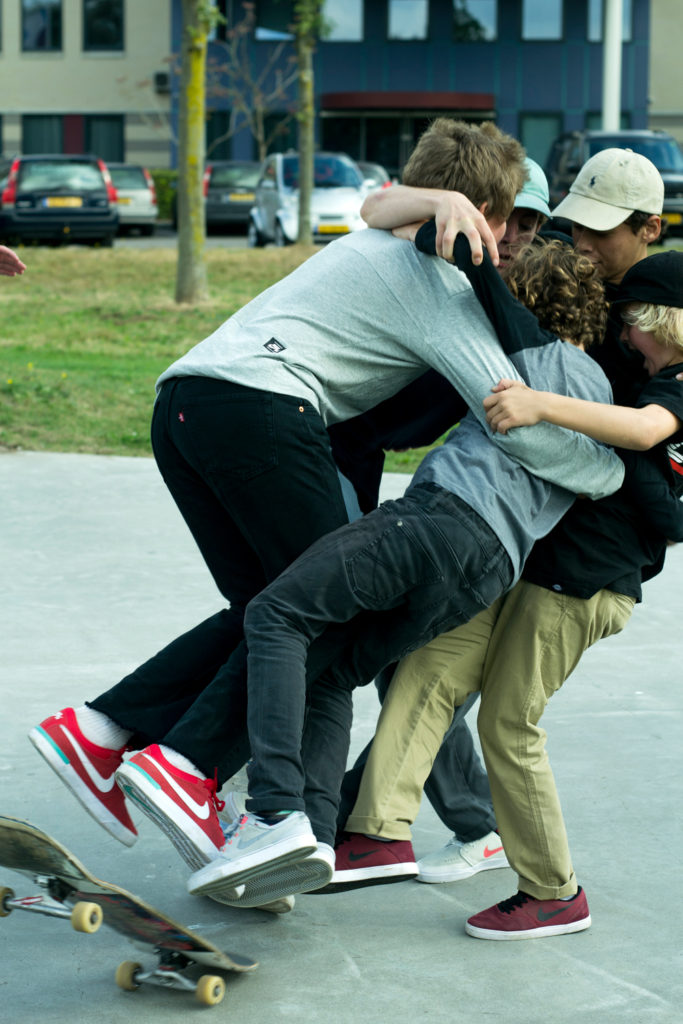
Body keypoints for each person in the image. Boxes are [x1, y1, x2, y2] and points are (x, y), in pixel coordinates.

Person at [28, 118, 571, 901]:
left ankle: (101, 731)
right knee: (324, 614)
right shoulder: (435, 283)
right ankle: (197, 776)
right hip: (263, 415)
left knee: (265, 609)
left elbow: (378, 206)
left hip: (184, 406)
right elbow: (507, 406)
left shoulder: (375, 242)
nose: (509, 240)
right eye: (506, 219)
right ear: (474, 214)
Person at [177, 236, 623, 904]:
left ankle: (272, 813)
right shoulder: (602, 399)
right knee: (333, 667)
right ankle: (307, 843)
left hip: (439, 521)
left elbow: (474, 273)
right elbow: (609, 474)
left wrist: (440, 217)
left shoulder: (523, 353)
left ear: (525, 303)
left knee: (275, 613)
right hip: (486, 572)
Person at [335, 145, 668, 891]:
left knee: (506, 725)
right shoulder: (564, 272)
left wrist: (544, 408)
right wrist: (435, 204)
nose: (580, 244)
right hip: (513, 544)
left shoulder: (658, 314)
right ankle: (370, 833)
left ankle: (549, 891)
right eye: (572, 227)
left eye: (600, 232)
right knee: (419, 667)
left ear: (649, 227)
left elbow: (647, 449)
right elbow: (397, 222)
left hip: (580, 571)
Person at [330, 156, 553, 885]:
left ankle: (350, 816)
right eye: (507, 218)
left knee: (393, 645)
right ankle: (350, 811)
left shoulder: (523, 309)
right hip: (330, 447)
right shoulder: (438, 268)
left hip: (422, 495)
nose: (515, 235)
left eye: (530, 223)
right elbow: (378, 205)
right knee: (350, 633)